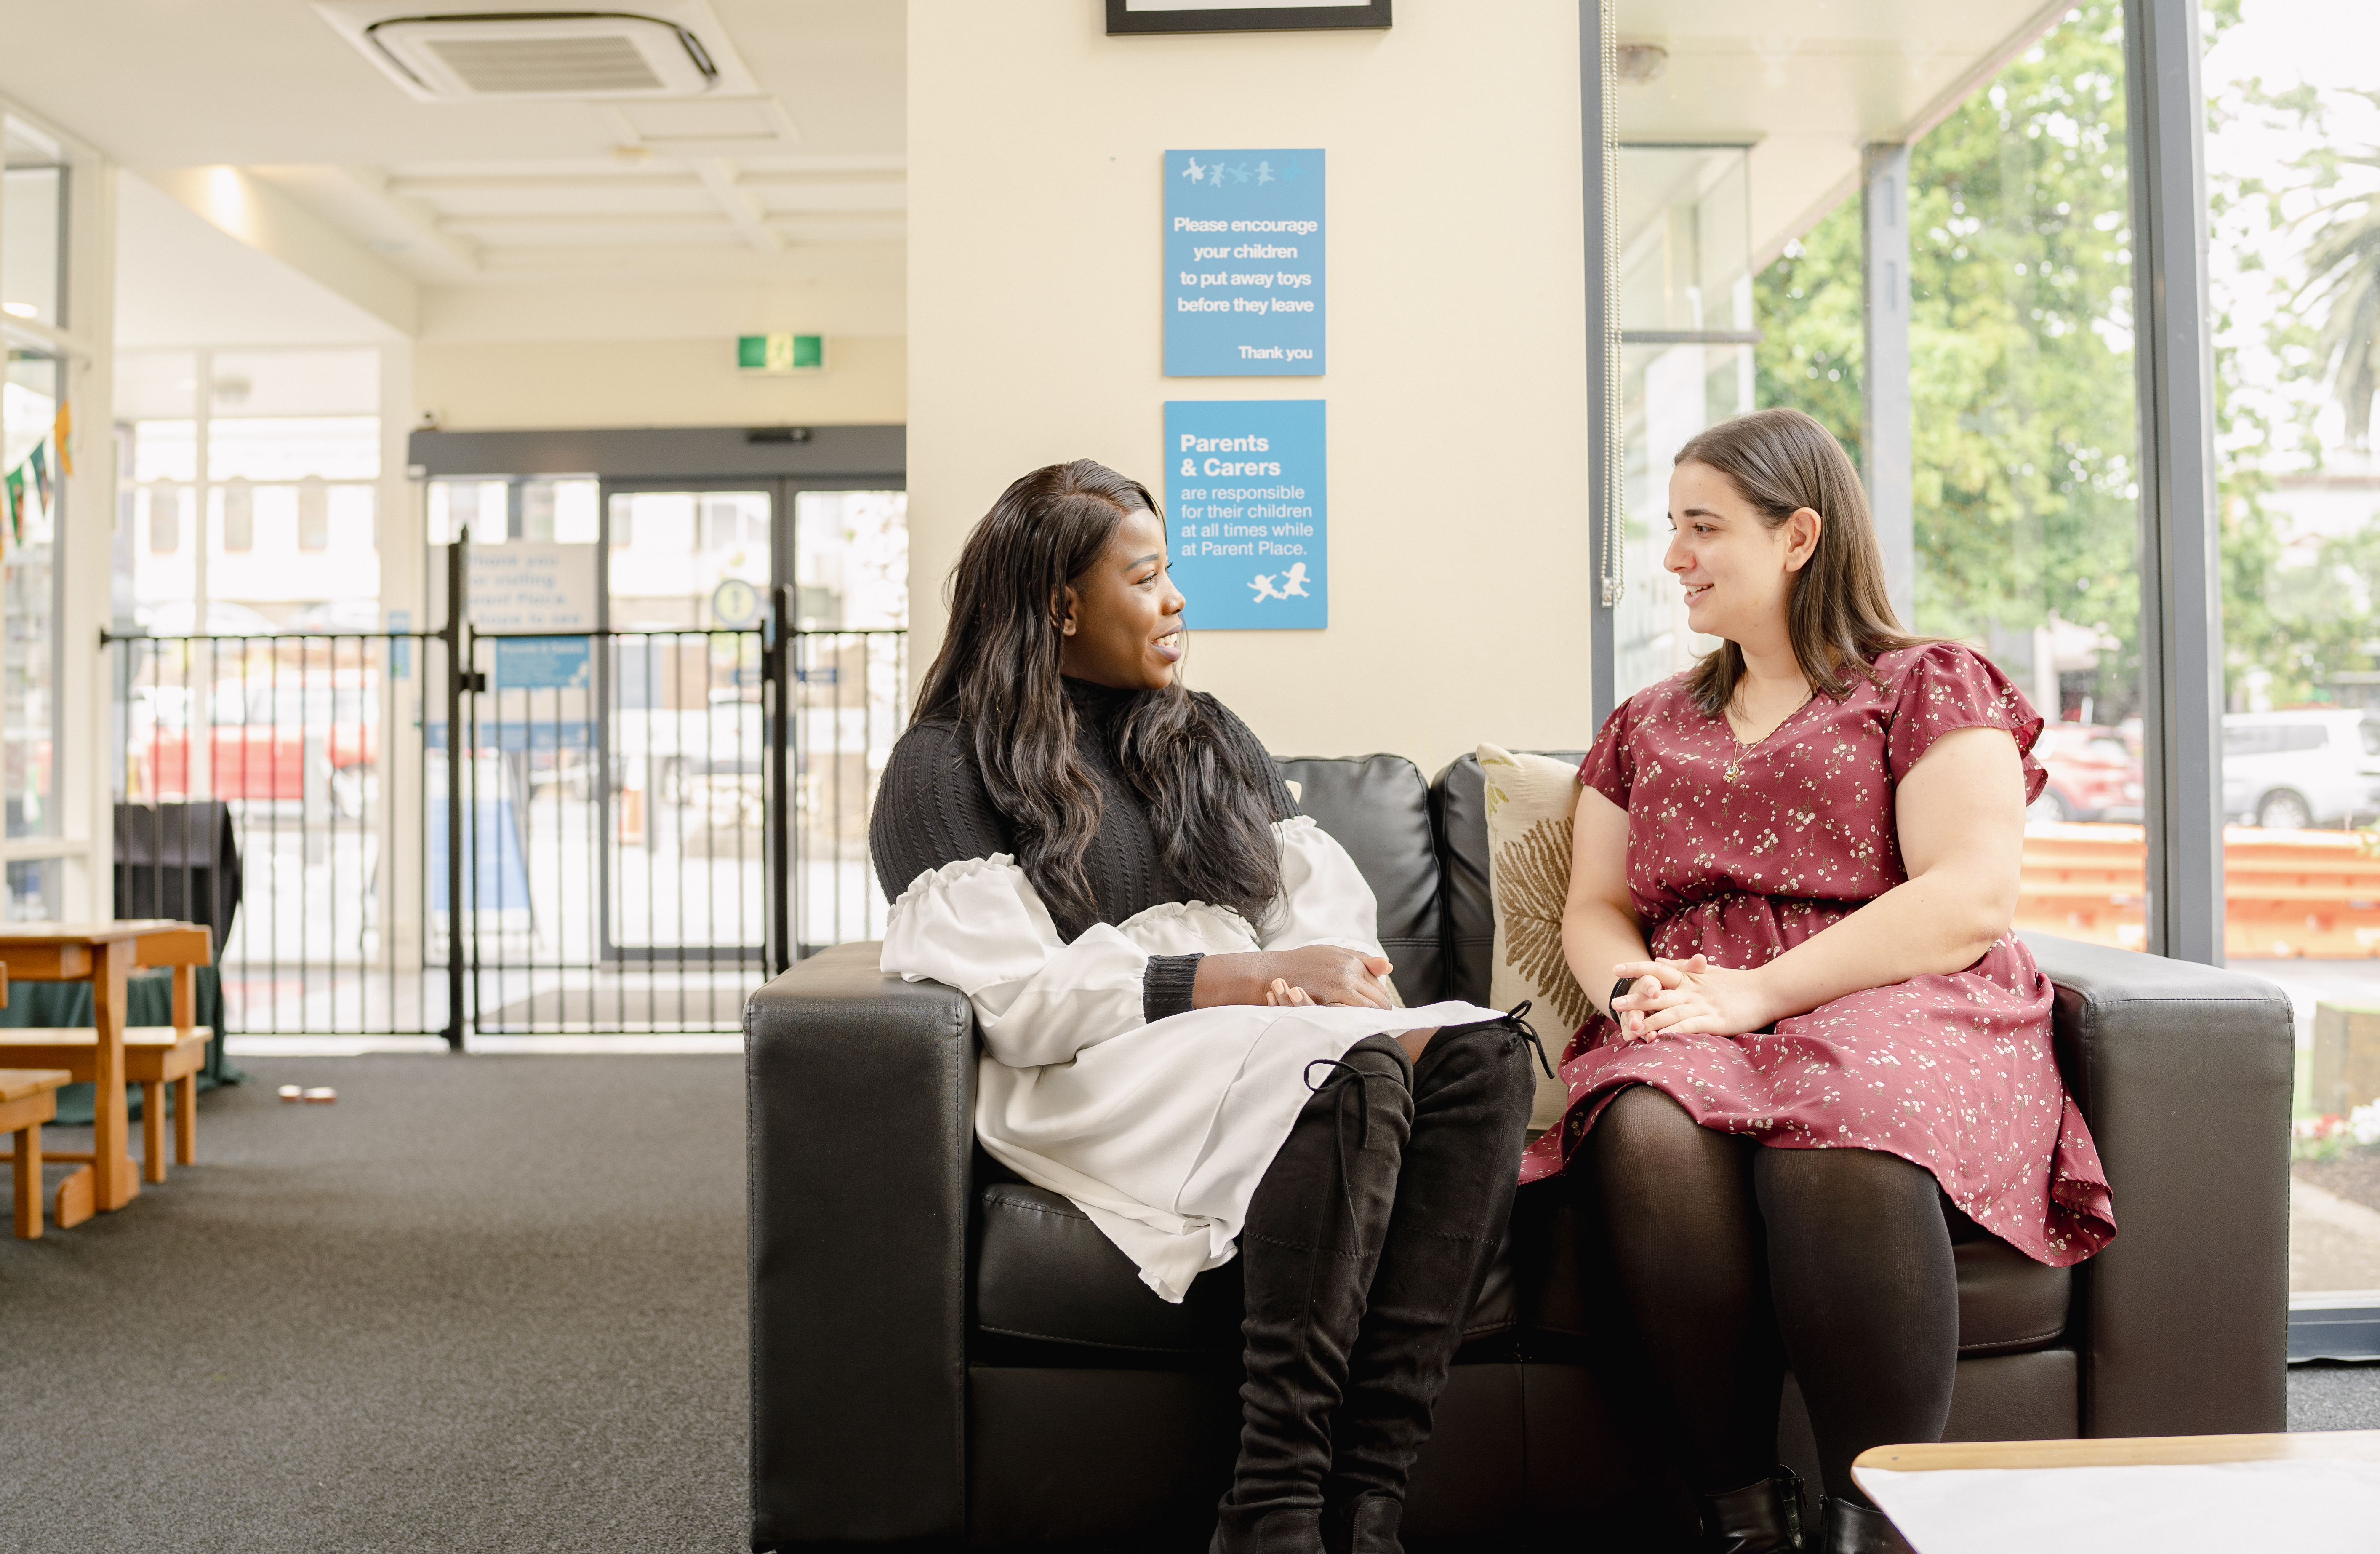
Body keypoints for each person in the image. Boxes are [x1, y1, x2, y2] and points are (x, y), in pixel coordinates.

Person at [870, 460, 1534, 1554]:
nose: (1177, 598)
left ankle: (1368, 1508)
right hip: (1097, 1065)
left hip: (1263, 1036)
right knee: (1350, 1073)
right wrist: (1237, 984)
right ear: (1061, 605)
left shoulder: (1205, 733)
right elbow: (1022, 1005)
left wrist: (1336, 985)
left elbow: (1321, 931)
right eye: (1147, 576)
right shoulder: (948, 766)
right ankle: (1268, 1512)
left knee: (1480, 1058)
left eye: (1170, 571)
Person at [1529, 409, 2113, 1554]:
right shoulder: (1645, 723)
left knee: (1840, 1127)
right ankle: (1743, 1518)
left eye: (1703, 528)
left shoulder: (1929, 682)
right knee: (1643, 1120)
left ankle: (1873, 1525)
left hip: (1899, 993)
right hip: (1701, 1000)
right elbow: (1594, 907)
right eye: (1671, 529)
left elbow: (1969, 896)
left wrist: (1760, 995)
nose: (1674, 558)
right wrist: (1629, 992)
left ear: (1799, 536)